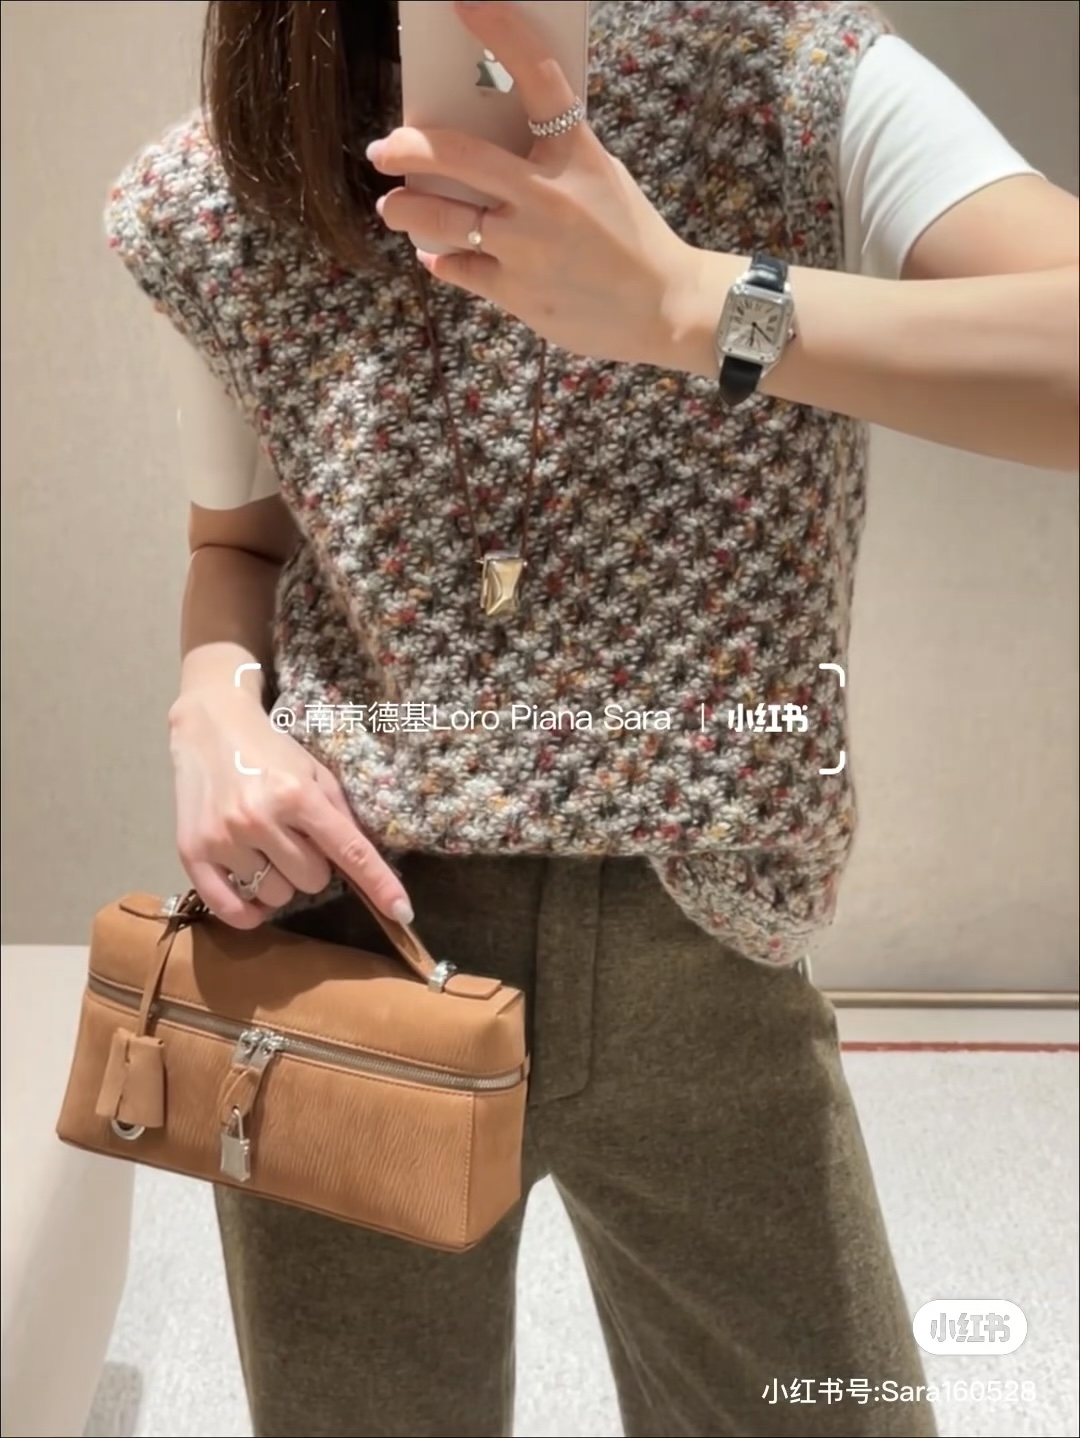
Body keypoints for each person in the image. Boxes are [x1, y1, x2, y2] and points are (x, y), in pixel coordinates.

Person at [104, 1, 1078, 1434]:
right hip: (343, 958)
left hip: (709, 958)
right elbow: (237, 544)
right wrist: (213, 706)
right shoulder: (225, 185)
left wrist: (696, 302)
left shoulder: (778, 77)